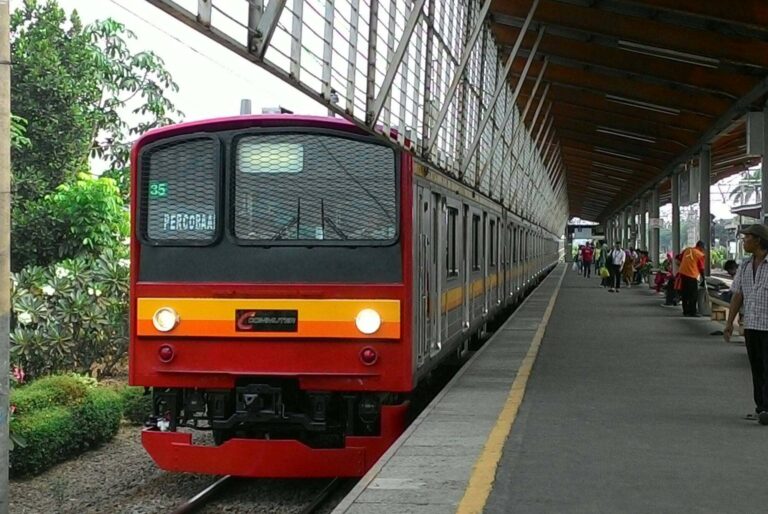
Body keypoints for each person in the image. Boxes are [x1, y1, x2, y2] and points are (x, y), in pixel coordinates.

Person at [724, 224, 768, 425]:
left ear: (758, 240)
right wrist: (729, 323)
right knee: (757, 368)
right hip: (752, 325)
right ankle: (761, 408)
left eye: (747, 237)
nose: (744, 241)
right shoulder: (744, 266)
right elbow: (738, 295)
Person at [677, 241, 706, 316]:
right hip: (691, 275)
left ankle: (685, 311)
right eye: (703, 248)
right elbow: (701, 268)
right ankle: (692, 312)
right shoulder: (700, 255)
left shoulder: (687, 250)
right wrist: (703, 279)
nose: (703, 250)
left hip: (683, 273)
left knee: (685, 293)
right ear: (700, 247)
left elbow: (679, 258)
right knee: (693, 295)